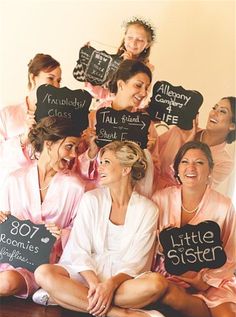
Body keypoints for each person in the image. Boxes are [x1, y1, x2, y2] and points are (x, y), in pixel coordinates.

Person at [33, 140, 170, 317]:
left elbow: (137, 262)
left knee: (156, 284)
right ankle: (123, 315)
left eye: (106, 162)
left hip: (123, 283)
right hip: (86, 275)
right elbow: (79, 250)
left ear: (125, 170)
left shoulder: (148, 210)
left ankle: (66, 298)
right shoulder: (91, 200)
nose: (100, 167)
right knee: (43, 273)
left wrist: (110, 285)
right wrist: (95, 284)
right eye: (100, 161)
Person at [151, 141, 235, 317]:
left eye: (199, 162)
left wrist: (204, 281)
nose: (191, 168)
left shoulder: (224, 206)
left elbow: (231, 254)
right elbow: (144, 246)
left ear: (210, 170)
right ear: (177, 169)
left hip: (213, 282)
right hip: (167, 279)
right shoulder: (160, 199)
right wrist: (159, 249)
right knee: (168, 297)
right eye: (185, 162)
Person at [0, 116, 85, 299]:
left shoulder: (75, 187)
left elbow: (79, 233)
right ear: (49, 144)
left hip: (38, 265)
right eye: (69, 146)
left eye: (76, 149)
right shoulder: (15, 179)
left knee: (6, 282)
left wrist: (61, 233)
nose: (74, 155)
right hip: (4, 254)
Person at [86, 59, 159, 198]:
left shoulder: (146, 125)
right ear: (121, 84)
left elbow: (155, 172)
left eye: (147, 88)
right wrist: (91, 152)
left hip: (131, 197)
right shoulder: (94, 118)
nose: (144, 93)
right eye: (138, 85)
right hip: (96, 195)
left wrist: (147, 155)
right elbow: (78, 168)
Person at [0, 53, 62, 188]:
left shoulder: (60, 117)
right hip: (11, 189)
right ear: (33, 78)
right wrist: (23, 139)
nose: (55, 85)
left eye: (58, 81)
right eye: (50, 78)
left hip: (46, 190)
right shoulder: (7, 114)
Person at [154, 96, 236, 190]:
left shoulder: (224, 163)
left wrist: (187, 147)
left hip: (171, 202)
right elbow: (150, 153)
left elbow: (196, 190)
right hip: (144, 194)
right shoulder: (181, 131)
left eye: (222, 111)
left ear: (232, 126)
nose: (214, 113)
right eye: (214, 108)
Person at [85, 16, 156, 101]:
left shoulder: (147, 69)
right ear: (124, 38)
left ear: (147, 44)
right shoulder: (113, 61)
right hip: (106, 106)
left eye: (140, 40)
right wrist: (87, 57)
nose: (133, 43)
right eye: (130, 38)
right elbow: (99, 91)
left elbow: (140, 98)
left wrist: (128, 65)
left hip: (128, 111)